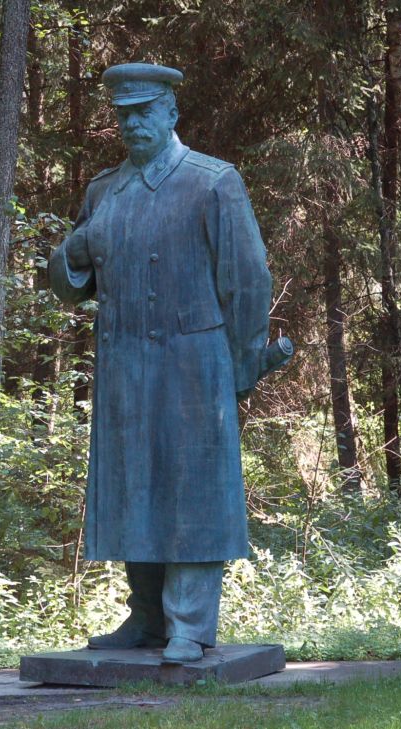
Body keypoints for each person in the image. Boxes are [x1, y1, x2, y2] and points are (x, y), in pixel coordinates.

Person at [48, 62, 273, 663]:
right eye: (124, 113)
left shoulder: (212, 182)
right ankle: (147, 617)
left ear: (171, 111)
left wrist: (242, 362)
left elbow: (248, 281)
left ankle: (189, 625)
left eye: (145, 110)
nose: (133, 123)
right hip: (123, 363)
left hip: (194, 362)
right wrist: (74, 246)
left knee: (193, 487)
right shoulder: (103, 191)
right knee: (133, 487)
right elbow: (70, 285)